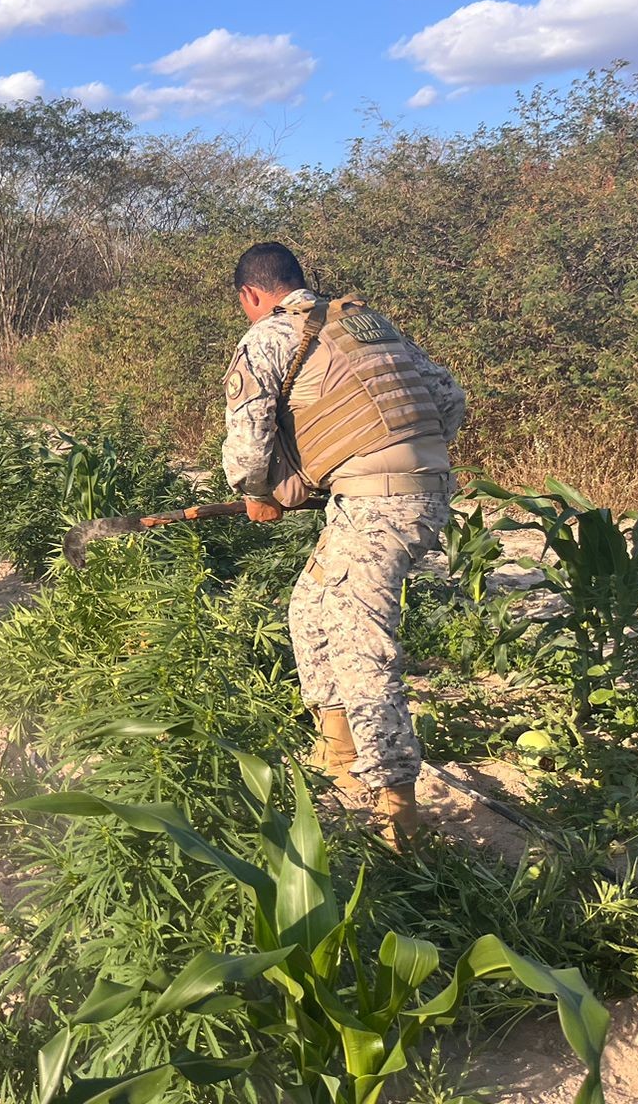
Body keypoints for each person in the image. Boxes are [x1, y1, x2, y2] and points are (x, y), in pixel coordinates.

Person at [221, 243, 465, 846]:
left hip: (378, 503)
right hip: (422, 488)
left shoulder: (269, 336)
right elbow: (448, 398)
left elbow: (249, 444)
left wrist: (260, 492)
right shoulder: (364, 322)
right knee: (310, 605)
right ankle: (336, 754)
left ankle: (397, 810)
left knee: (361, 643)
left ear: (253, 295)